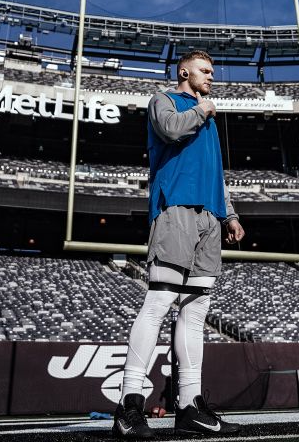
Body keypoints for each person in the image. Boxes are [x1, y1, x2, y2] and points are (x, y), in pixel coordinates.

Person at [112, 50, 244, 439]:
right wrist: (203, 111)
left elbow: (214, 171)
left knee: (196, 310)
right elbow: (169, 129)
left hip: (210, 216)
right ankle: (129, 402)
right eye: (205, 71)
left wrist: (230, 213)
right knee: (159, 302)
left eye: (213, 72)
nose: (211, 77)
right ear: (184, 71)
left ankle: (189, 404)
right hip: (176, 210)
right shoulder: (165, 100)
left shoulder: (208, 116)